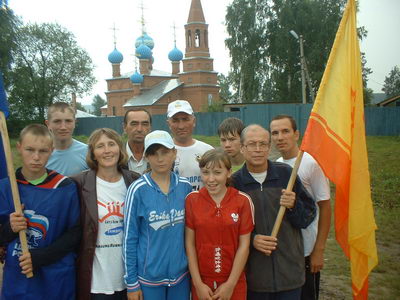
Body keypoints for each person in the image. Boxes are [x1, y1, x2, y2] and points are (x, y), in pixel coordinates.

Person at [231, 124, 316, 300]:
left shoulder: (286, 175)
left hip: (290, 274)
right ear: (242, 148)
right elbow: (229, 228)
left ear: (269, 147)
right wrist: (252, 238)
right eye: (251, 144)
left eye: (263, 144)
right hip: (254, 278)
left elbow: (307, 217)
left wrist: (294, 205)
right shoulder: (235, 183)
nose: (257, 149)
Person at [0, 124, 80, 299]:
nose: (36, 157)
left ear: (51, 150)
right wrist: (10, 228)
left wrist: (41, 257)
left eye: (43, 151)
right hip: (18, 278)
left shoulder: (65, 187)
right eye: (30, 150)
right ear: (19, 147)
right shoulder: (6, 188)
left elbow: (74, 234)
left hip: (56, 277)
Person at [71, 128, 140, 300]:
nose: (107, 150)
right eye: (100, 146)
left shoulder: (134, 180)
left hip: (130, 279)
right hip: (97, 280)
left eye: (111, 144)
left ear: (120, 148)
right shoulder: (78, 184)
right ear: (93, 153)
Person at [123, 130, 192, 300]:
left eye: (165, 152)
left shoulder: (185, 187)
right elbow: (129, 238)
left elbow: (191, 233)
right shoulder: (137, 189)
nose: (160, 159)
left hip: (180, 277)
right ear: (146, 157)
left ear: (174, 153)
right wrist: (132, 283)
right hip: (149, 279)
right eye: (153, 154)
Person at [270, 115, 331, 300]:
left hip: (306, 250)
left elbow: (326, 207)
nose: (280, 137)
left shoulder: (311, 164)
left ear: (296, 134)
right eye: (275, 132)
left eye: (285, 131)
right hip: (285, 250)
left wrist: (318, 250)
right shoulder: (277, 166)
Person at [185, 148, 254, 300]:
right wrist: (198, 284)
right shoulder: (192, 200)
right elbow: (189, 244)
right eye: (205, 172)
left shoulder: (242, 201)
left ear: (228, 173)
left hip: (233, 280)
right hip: (202, 282)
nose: (210, 179)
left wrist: (230, 284)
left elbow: (244, 246)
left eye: (217, 172)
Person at [166, 100, 213, 191]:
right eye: (175, 120)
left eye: (185, 119)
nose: (181, 126)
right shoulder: (163, 153)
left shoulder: (208, 151)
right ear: (169, 123)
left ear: (194, 121)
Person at [45, 101, 88, 176]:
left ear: (75, 122)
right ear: (48, 124)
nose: (63, 127)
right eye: (57, 121)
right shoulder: (40, 155)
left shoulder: (88, 153)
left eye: (68, 121)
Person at [123, 108, 152, 175]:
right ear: (124, 127)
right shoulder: (116, 156)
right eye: (134, 124)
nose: (139, 129)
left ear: (150, 127)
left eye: (144, 124)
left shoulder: (159, 155)